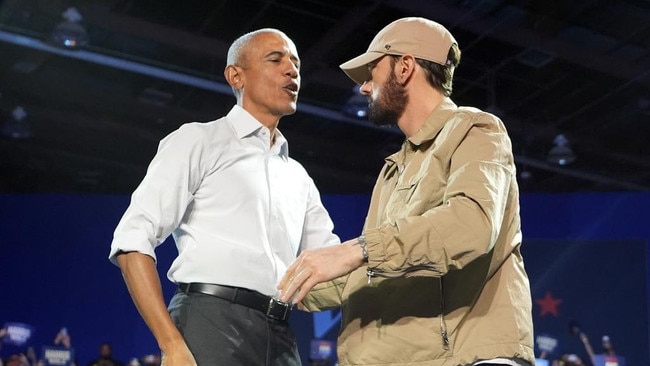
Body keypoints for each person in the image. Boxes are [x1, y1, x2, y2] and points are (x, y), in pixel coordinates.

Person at [278, 17, 535, 365]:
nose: (366, 88)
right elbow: (378, 267)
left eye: (372, 72)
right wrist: (287, 283)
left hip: (466, 357)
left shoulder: (475, 129)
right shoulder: (393, 169)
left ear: (405, 67)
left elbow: (470, 225)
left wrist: (359, 249)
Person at [109, 28, 340, 366]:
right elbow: (132, 241)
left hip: (280, 335)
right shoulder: (198, 140)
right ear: (236, 75)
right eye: (275, 59)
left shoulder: (299, 177)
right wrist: (171, 344)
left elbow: (331, 265)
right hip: (208, 323)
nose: (292, 70)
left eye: (296, 64)